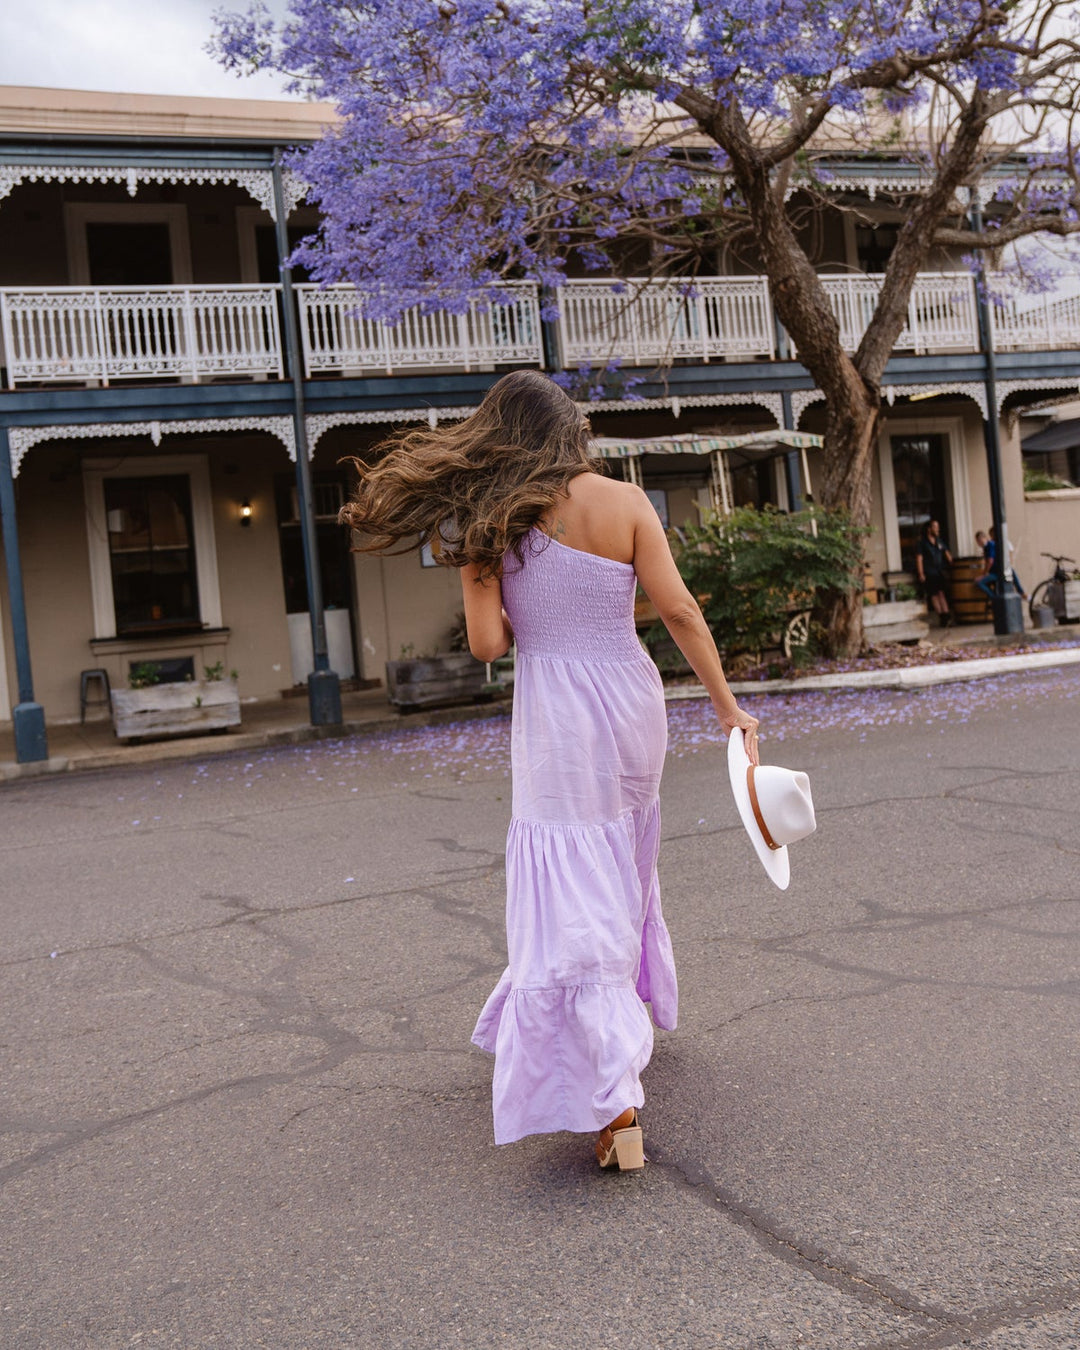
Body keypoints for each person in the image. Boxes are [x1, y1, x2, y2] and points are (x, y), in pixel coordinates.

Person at [339, 370, 759, 1171]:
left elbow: (490, 647)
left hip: (561, 717)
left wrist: (475, 566)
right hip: (633, 704)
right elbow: (679, 612)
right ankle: (620, 1023)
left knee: (572, 883)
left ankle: (614, 1099)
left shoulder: (491, 527)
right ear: (573, 433)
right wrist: (728, 708)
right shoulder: (628, 503)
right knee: (621, 861)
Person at [915, 519, 954, 626]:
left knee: (942, 593)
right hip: (929, 571)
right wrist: (921, 573)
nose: (937, 529)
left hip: (939, 571)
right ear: (929, 529)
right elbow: (919, 558)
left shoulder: (939, 541)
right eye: (935, 527)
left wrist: (951, 563)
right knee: (934, 595)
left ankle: (946, 615)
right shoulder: (922, 543)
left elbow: (947, 553)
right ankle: (942, 616)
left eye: (938, 527)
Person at [975, 526, 1026, 602]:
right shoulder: (989, 547)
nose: (979, 543)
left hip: (997, 573)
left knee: (979, 583)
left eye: (979, 540)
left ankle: (995, 599)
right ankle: (1021, 592)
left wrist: (984, 574)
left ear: (984, 537)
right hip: (997, 572)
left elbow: (990, 561)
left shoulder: (990, 545)